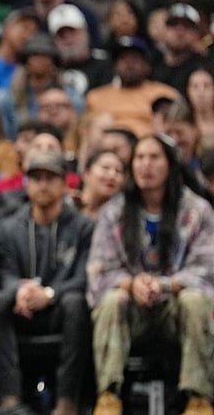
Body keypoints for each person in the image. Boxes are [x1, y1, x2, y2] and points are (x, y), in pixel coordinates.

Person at [87, 135, 214, 415]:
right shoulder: (114, 212)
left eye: (154, 157)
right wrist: (133, 284)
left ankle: (199, 397)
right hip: (133, 310)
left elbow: (207, 269)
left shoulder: (197, 211)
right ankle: (109, 395)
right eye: (140, 158)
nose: (146, 165)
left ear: (170, 164)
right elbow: (99, 269)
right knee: (111, 300)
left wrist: (165, 285)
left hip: (176, 307)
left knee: (197, 300)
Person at [0, 151, 93, 415]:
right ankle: (10, 400)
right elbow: (5, 273)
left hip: (61, 307)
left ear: (64, 183)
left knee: (76, 303)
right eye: (36, 178)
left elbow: (85, 277)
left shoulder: (84, 227)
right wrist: (20, 291)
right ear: (26, 183)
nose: (43, 184)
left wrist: (50, 293)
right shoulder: (9, 228)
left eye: (50, 178)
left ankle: (67, 402)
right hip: (23, 308)